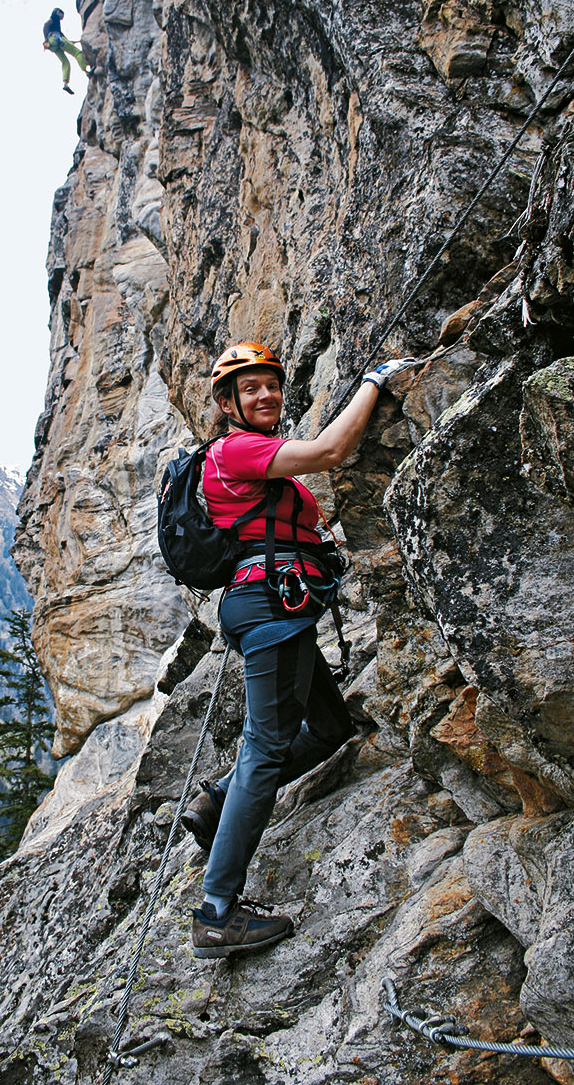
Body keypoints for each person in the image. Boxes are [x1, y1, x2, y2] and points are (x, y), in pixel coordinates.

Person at [184, 340, 416, 959]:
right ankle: (217, 911)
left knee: (330, 725)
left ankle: (217, 801)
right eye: (250, 388)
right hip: (272, 606)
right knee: (267, 746)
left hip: (276, 604)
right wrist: (372, 382)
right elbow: (333, 450)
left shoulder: (249, 458)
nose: (265, 396)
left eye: (272, 385)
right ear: (228, 403)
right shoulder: (239, 448)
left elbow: (292, 526)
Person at [42, 7, 92, 94]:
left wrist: (70, 42)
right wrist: (47, 36)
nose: (62, 17)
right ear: (58, 12)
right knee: (77, 53)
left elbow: (64, 38)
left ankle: (65, 84)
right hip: (56, 39)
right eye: (62, 15)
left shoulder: (56, 24)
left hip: (53, 46)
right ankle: (86, 71)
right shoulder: (54, 18)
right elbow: (45, 25)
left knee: (65, 63)